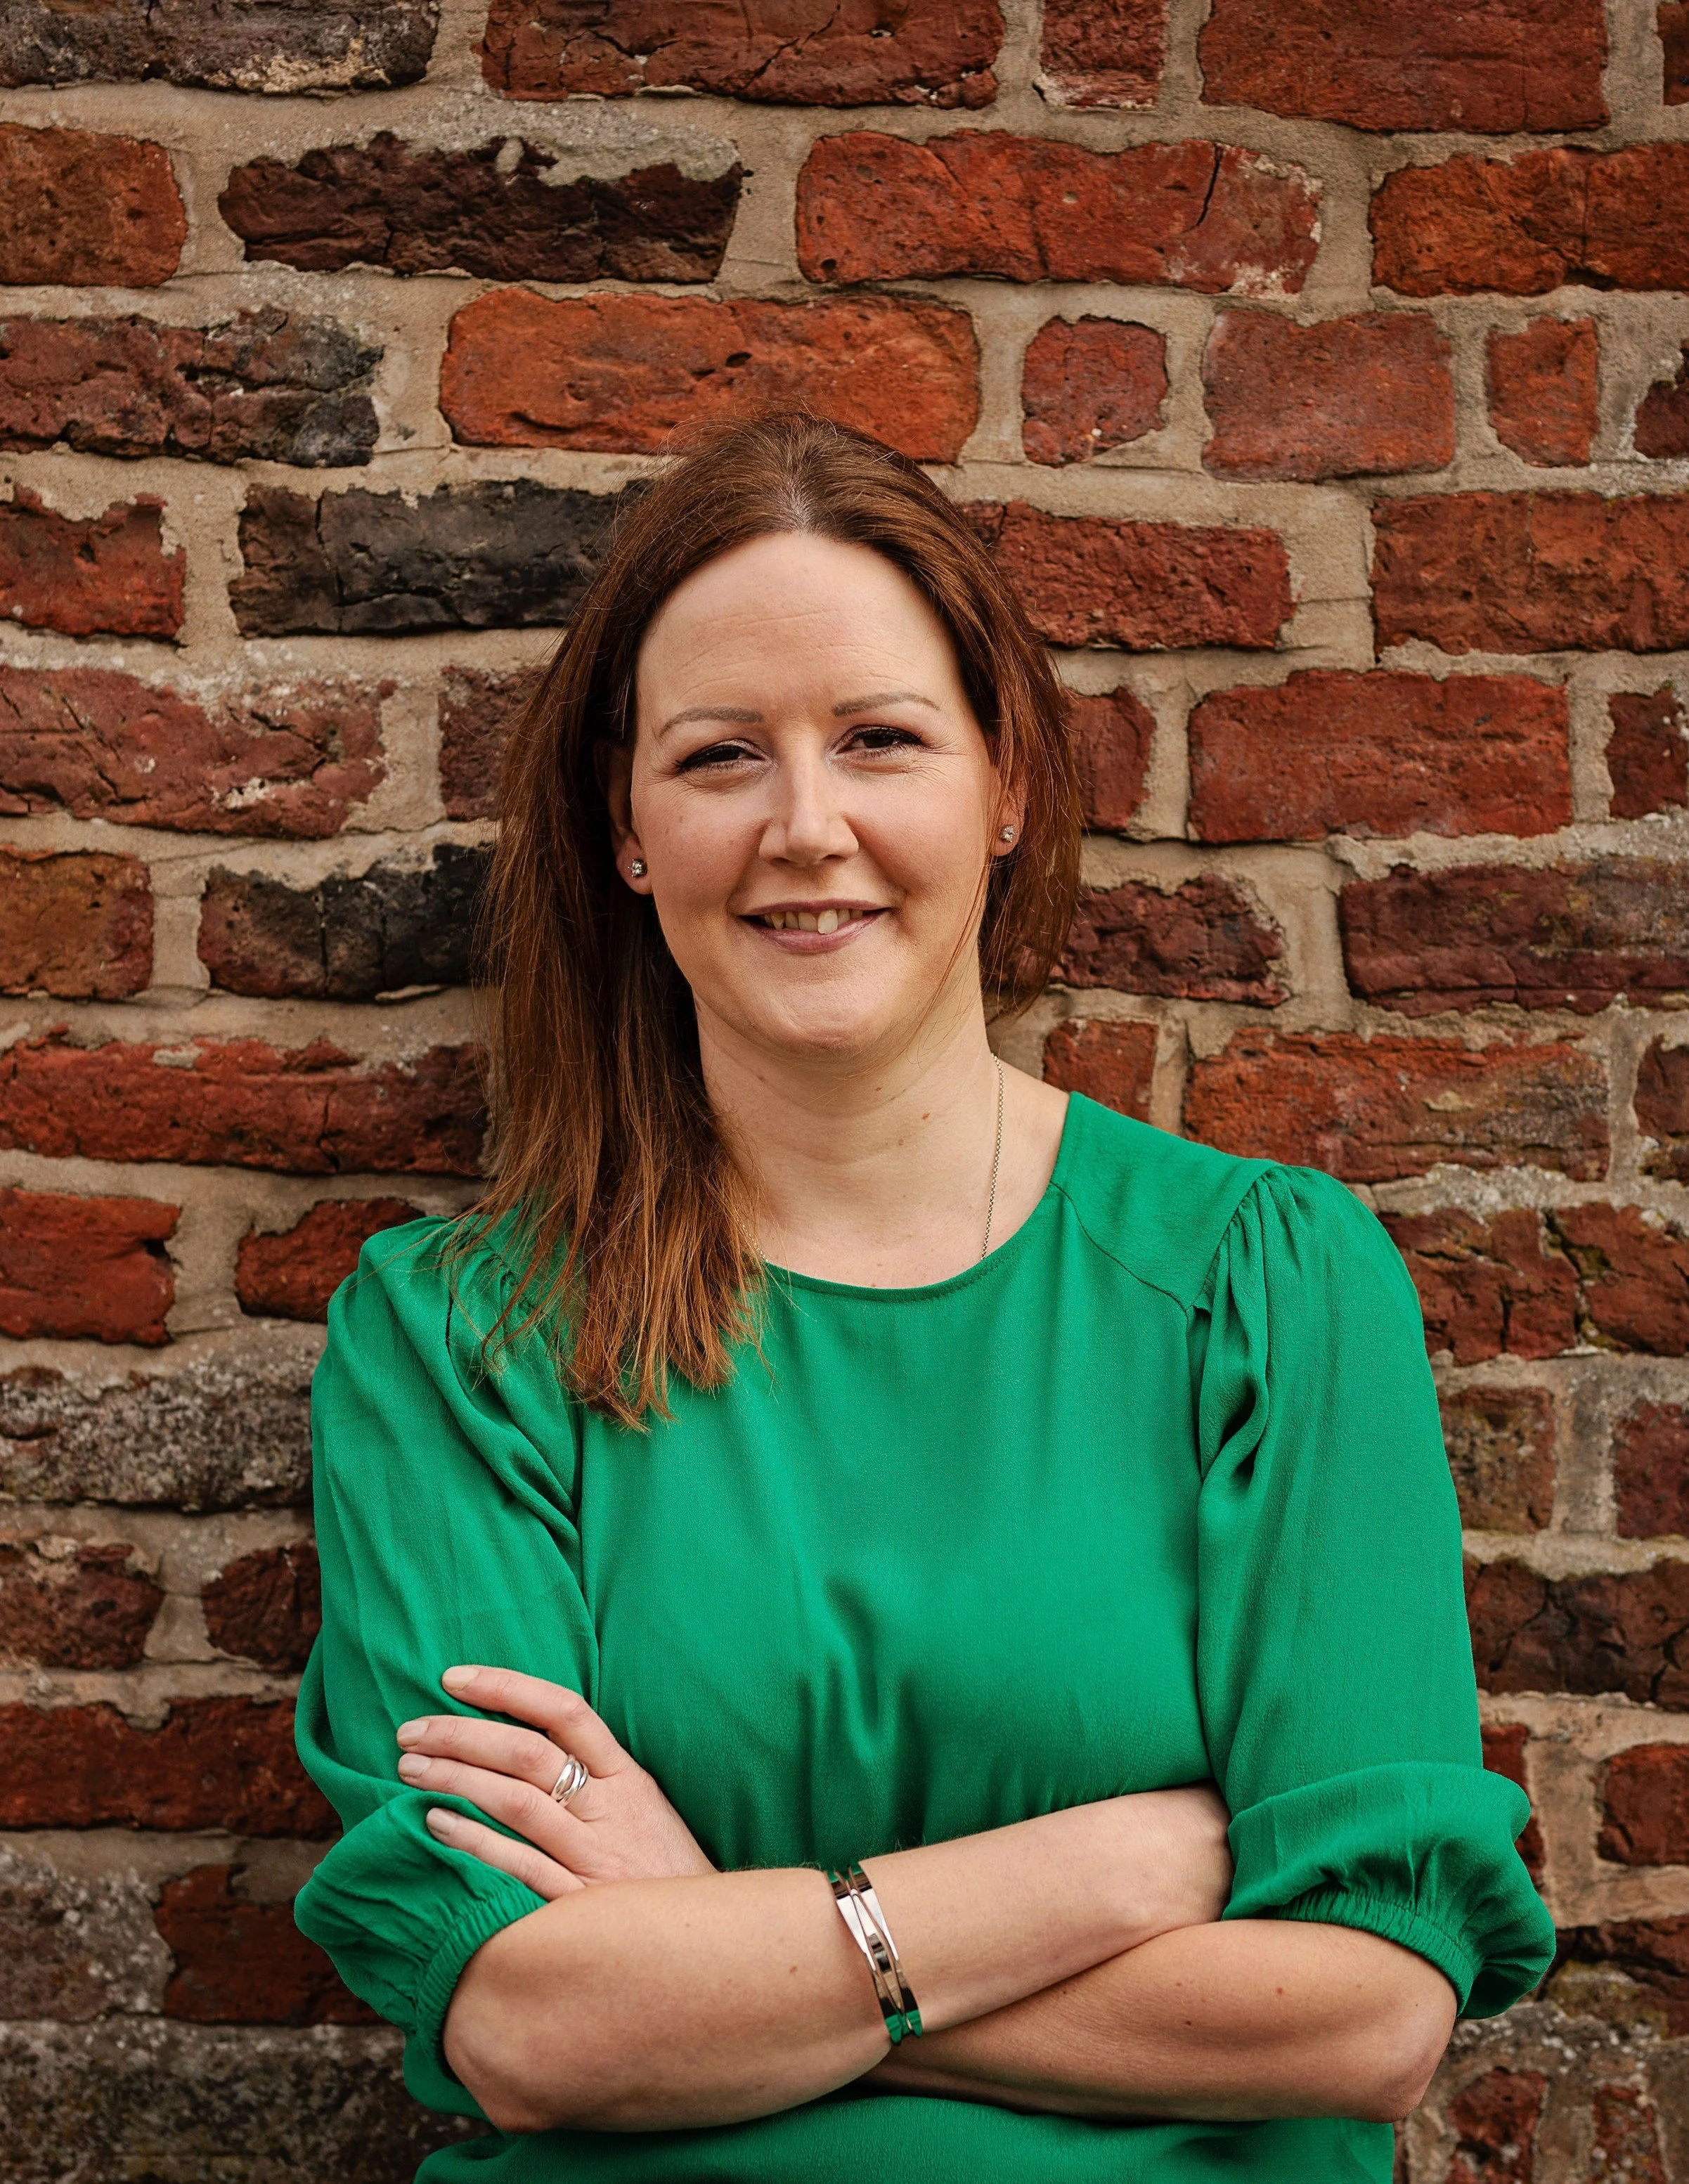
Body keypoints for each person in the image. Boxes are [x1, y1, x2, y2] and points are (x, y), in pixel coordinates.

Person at [295, 410, 1553, 2184]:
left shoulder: (1263, 1289)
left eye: (879, 738)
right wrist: (1110, 1870)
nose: (807, 827)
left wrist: (736, 1944)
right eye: (721, 755)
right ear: (629, 827)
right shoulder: (468, 1336)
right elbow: (528, 2025)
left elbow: (1362, 2018)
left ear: (1007, 783)